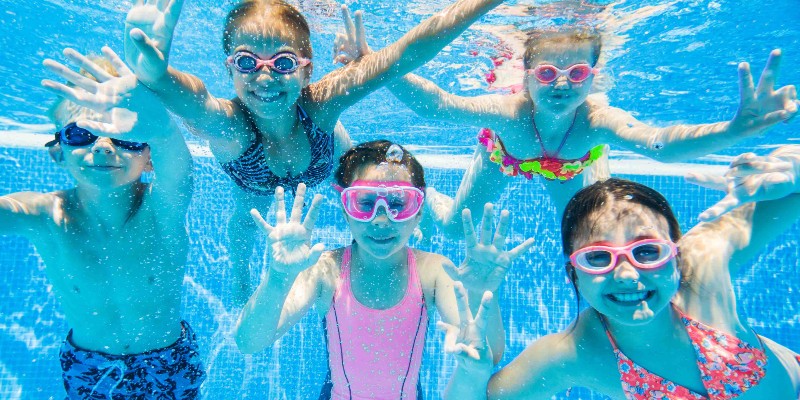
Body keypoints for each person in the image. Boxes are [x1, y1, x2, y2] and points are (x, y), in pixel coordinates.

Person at [122, 0, 508, 304]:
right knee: (244, 218)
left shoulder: (321, 103)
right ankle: (239, 278)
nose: (265, 76)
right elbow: (193, 100)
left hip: (330, 159)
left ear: (307, 70)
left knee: (358, 178)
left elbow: (405, 54)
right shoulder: (230, 126)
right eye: (246, 61)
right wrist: (157, 75)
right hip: (255, 186)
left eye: (284, 62)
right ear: (230, 70)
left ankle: (401, 207)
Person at [335, 17, 800, 239]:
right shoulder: (510, 113)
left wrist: (733, 130)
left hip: (575, 166)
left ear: (593, 77)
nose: (561, 84)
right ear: (527, 75)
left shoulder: (596, 119)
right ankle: (433, 199)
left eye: (576, 74)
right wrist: (373, 64)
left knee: (595, 232)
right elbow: (438, 106)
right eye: (546, 74)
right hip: (506, 157)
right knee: (457, 228)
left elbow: (658, 145)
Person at [441, 145, 800, 399]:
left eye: (647, 252)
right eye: (598, 258)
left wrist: (791, 167)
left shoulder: (705, 260)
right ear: (574, 273)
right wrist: (472, 370)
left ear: (676, 255)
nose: (628, 275)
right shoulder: (577, 352)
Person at [234, 140, 534, 398]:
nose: (381, 219)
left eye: (398, 203)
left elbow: (486, 352)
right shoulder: (325, 270)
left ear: (418, 214)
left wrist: (481, 294)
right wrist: (277, 278)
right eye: (364, 203)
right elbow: (249, 342)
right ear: (345, 211)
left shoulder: (434, 272)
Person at [0, 47, 203, 398]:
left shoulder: (161, 209)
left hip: (167, 362)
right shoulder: (45, 215)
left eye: (127, 136)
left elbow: (179, 167)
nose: (105, 145)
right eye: (81, 133)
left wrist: (157, 121)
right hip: (89, 368)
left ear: (149, 156)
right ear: (57, 151)